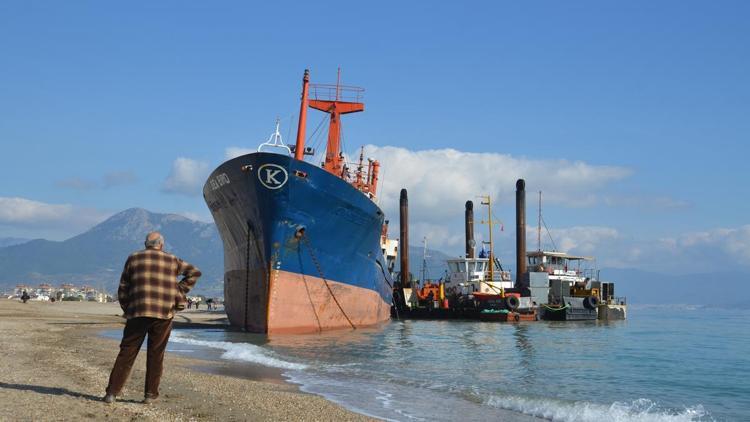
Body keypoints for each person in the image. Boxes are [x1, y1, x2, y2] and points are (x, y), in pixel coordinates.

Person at [103, 232, 201, 405]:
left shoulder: (133, 258)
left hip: (137, 312)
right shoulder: (171, 260)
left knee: (127, 352)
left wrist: (129, 308)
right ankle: (150, 395)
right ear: (161, 245)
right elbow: (194, 273)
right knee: (156, 355)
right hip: (163, 313)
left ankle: (112, 393)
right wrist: (178, 291)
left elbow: (123, 287)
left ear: (146, 244)